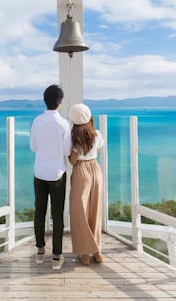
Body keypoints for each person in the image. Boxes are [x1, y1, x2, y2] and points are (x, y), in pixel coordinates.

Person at [29, 85, 71, 270]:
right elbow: (68, 151)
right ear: (60, 102)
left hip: (39, 172)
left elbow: (33, 146)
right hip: (57, 174)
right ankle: (56, 256)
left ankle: (40, 252)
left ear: (44, 100)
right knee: (57, 214)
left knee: (39, 211)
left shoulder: (37, 121)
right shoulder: (63, 124)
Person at [68, 103, 104, 266]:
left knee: (79, 212)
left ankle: (84, 253)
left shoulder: (74, 138)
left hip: (82, 171)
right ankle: (97, 251)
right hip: (96, 170)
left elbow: (72, 161)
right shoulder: (97, 134)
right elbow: (99, 149)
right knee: (95, 210)